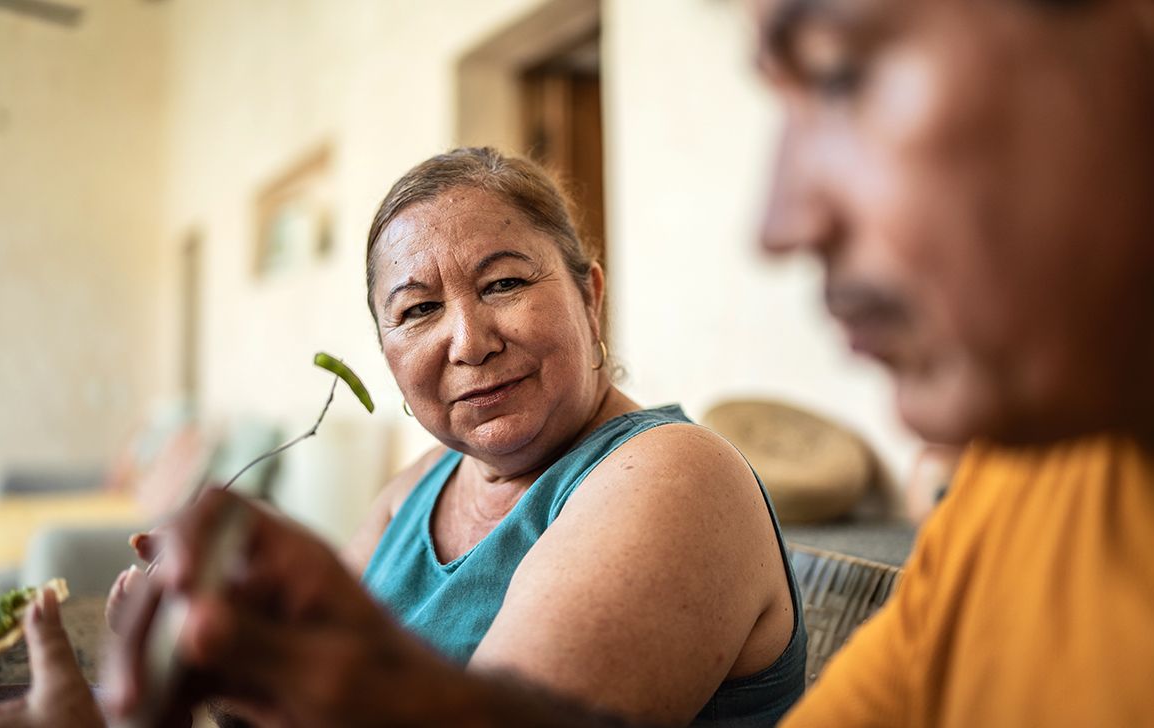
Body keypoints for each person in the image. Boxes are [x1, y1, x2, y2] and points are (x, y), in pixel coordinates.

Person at [0, 0, 1154, 724]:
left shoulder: (669, 473)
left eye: (847, 76)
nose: (779, 219)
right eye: (414, 308)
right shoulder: (1030, 501)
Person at [100, 147, 806, 727]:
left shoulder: (674, 474)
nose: (468, 342)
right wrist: (205, 650)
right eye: (420, 309)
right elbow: (303, 693)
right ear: (388, 357)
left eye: (502, 284)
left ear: (590, 297)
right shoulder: (421, 483)